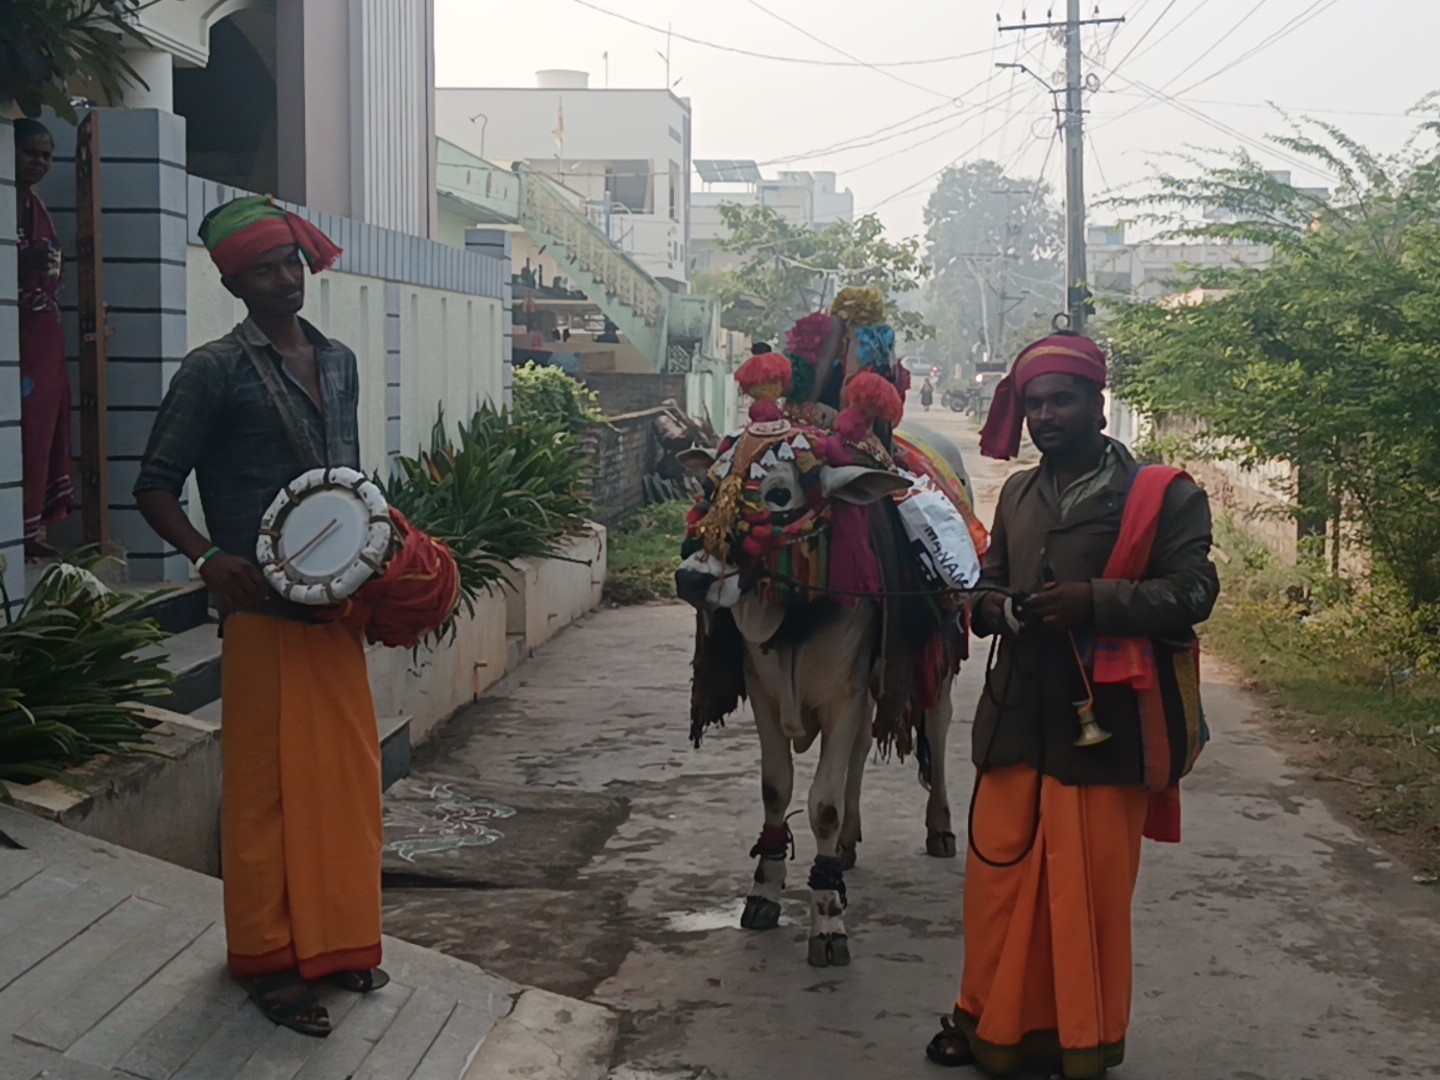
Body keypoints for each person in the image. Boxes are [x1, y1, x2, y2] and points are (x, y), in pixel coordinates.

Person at [926, 332, 1219, 1078]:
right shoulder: (1020, 491)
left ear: (1098, 404)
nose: (1046, 416)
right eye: (1034, 404)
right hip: (1018, 715)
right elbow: (988, 574)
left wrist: (1094, 601)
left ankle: (1081, 1041)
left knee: (1082, 893)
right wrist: (989, 606)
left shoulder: (1164, 495)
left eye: (1063, 400)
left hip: (1107, 728)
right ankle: (983, 1020)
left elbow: (1193, 594)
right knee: (995, 882)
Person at [134, 196, 386, 1039]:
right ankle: (271, 961)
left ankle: (340, 939)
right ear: (233, 280)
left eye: (292, 265)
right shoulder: (213, 369)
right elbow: (154, 485)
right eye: (265, 269)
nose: (285, 280)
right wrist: (209, 559)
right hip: (258, 611)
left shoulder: (341, 361)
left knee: (346, 784)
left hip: (336, 608)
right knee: (266, 796)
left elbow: (343, 483)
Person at [15, 119, 74, 559]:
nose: (39, 162)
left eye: (47, 155)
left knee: (41, 431)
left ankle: (30, 529)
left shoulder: (37, 208)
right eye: (31, 152)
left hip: (40, 343)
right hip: (12, 340)